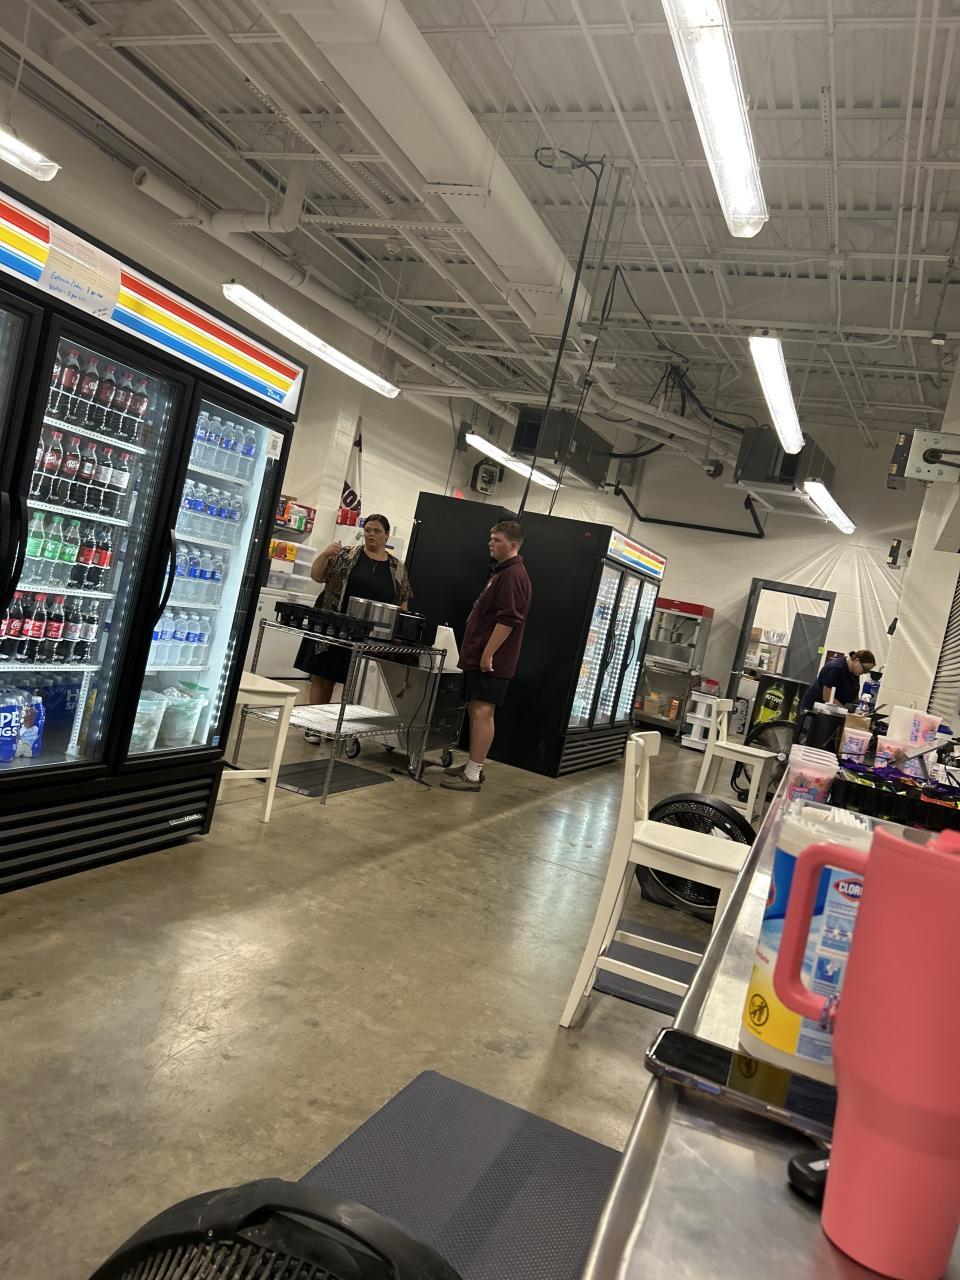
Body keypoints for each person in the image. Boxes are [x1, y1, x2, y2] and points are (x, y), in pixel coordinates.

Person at [295, 514, 412, 740]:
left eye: (377, 531)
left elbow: (403, 601)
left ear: (387, 536)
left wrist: (400, 630)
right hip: (333, 625)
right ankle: (314, 725)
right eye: (368, 530)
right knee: (323, 675)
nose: (371, 534)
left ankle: (341, 727)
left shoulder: (397, 568)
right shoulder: (346, 555)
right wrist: (325, 554)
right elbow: (317, 576)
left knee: (355, 682)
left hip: (369, 634)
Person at [442, 519, 532, 792]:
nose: (490, 543)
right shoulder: (501, 572)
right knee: (475, 709)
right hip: (479, 655)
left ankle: (473, 774)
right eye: (491, 538)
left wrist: (488, 654)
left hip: (491, 660)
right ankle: (474, 766)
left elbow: (508, 620)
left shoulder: (513, 575)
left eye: (497, 540)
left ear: (513, 545)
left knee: (483, 712)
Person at [799, 648, 876, 713]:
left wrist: (859, 709)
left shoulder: (854, 672)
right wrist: (846, 713)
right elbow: (827, 697)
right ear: (856, 660)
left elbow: (854, 696)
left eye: (867, 671)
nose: (864, 672)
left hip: (831, 710)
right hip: (814, 710)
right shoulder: (836, 668)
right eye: (865, 669)